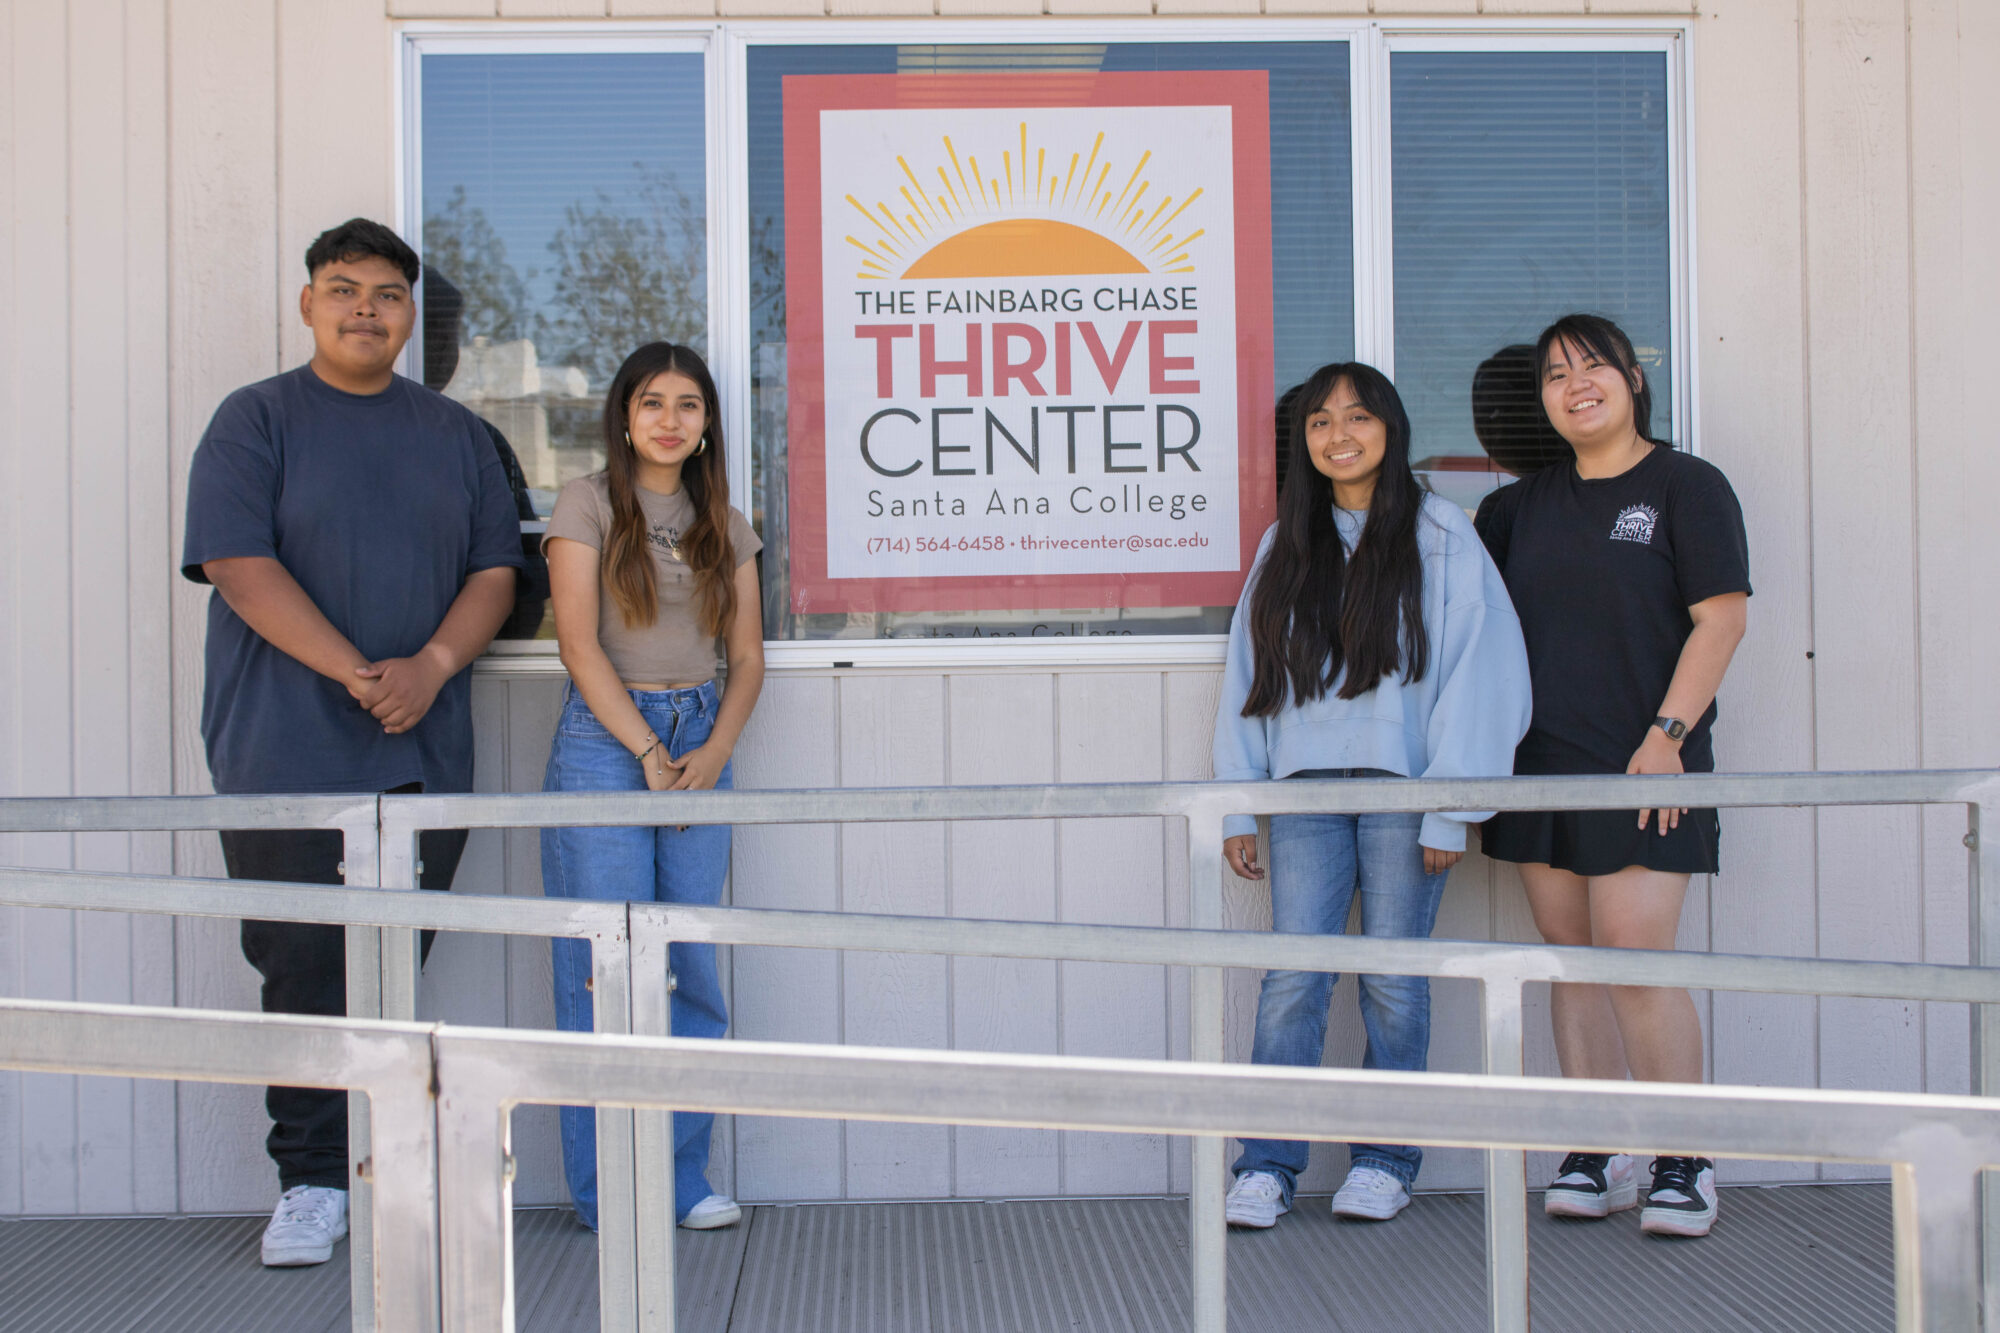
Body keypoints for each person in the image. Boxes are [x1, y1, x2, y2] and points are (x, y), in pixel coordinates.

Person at [180, 218, 522, 1266]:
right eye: (343, 289)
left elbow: (496, 576)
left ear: (409, 313)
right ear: (307, 304)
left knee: (387, 968)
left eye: (384, 293)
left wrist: (427, 668)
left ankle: (386, 1166)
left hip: (420, 751)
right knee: (298, 965)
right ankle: (312, 1183)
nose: (365, 309)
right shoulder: (255, 422)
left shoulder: (458, 437)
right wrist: (357, 672)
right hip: (283, 750)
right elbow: (239, 565)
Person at [1214, 362, 1531, 1228]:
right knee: (1293, 977)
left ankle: (1387, 1160)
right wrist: (1242, 801)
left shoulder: (1441, 534)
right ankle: (1267, 1165)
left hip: (1406, 791)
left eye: (1357, 416)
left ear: (1390, 427)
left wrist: (1452, 803)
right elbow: (1248, 675)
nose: (1338, 434)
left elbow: (1482, 670)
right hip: (1305, 792)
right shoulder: (1288, 543)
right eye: (1319, 421)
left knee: (1395, 980)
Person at [1476, 313, 1750, 1239]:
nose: (1575, 383)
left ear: (1633, 378)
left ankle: (1685, 1154)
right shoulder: (1514, 508)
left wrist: (1669, 734)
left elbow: (1721, 619)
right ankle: (1598, 1145)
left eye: (1593, 365)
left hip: (1647, 764)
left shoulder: (1686, 485)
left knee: (1634, 955)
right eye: (1556, 373)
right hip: (1541, 767)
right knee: (1573, 964)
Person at [540, 342, 764, 1233]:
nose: (669, 419)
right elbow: (578, 644)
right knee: (603, 971)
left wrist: (712, 749)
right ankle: (610, 1194)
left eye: (688, 405)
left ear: (707, 424)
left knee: (687, 967)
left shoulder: (727, 522)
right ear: (624, 416)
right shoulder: (588, 502)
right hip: (607, 741)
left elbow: (747, 657)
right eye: (652, 403)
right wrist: (642, 747)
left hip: (702, 737)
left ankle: (680, 1178)